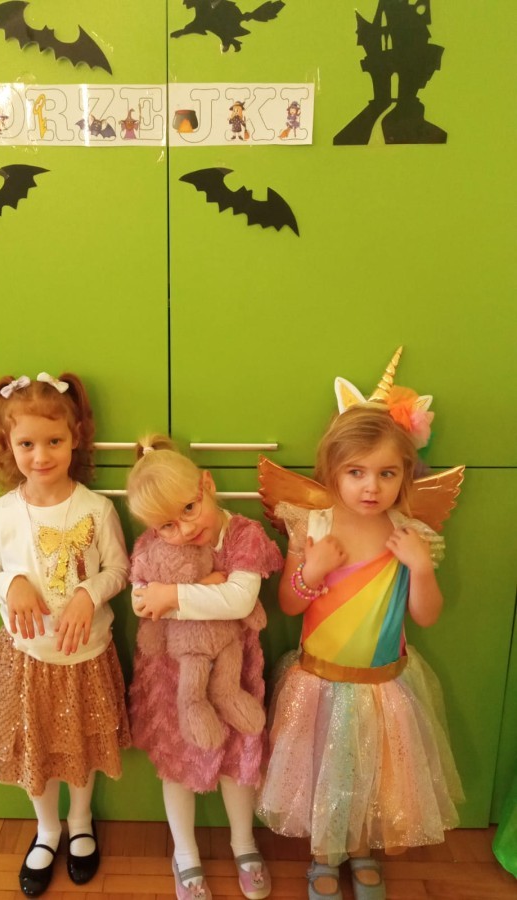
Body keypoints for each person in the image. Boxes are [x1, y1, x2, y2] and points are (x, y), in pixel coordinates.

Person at [256, 359, 464, 900]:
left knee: (374, 772)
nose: (372, 487)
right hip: (320, 683)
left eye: (387, 474)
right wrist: (311, 571)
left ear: (405, 475)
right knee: (326, 773)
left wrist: (420, 567)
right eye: (356, 473)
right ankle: (325, 855)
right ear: (333, 471)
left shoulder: (410, 534)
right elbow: (288, 604)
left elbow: (426, 615)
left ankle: (363, 846)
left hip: (383, 685)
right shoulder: (312, 525)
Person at [0, 371, 130, 897]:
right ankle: (47, 828)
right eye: (27, 444)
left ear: (75, 438)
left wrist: (89, 593)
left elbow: (119, 569)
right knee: (37, 749)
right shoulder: (1, 514)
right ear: (9, 444)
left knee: (79, 744)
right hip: (27, 659)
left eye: (54, 442)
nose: (41, 456)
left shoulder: (96, 509)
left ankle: (80, 821)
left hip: (85, 657)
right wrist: (11, 583)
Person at [126, 435, 283, 900]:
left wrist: (172, 596)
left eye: (190, 509)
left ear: (207, 485)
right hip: (173, 676)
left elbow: (240, 600)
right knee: (176, 764)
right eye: (167, 525)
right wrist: (192, 592)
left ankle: (244, 844)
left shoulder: (243, 536)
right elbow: (140, 603)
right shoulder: (151, 546)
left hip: (231, 671)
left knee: (238, 757)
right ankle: (186, 854)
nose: (184, 529)